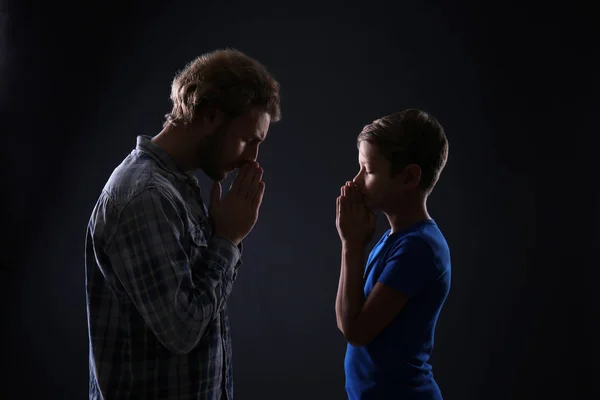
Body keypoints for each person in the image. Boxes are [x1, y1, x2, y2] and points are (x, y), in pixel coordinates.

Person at [85, 49, 281, 400]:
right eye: (248, 139)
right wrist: (228, 240)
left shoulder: (178, 187)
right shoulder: (144, 197)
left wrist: (227, 241)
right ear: (210, 116)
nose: (252, 158)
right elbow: (183, 331)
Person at [335, 108, 451, 399]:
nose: (357, 181)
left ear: (410, 177)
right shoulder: (392, 239)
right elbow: (346, 321)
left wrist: (351, 245)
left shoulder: (419, 247)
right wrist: (354, 244)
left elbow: (356, 331)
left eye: (369, 170)